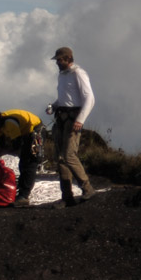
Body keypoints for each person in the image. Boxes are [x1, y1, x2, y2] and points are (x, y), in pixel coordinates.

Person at [50, 46, 97, 206]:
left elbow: (89, 98)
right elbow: (65, 98)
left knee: (69, 155)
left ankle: (87, 188)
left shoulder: (78, 73)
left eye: (60, 60)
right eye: (57, 60)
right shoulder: (62, 75)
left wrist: (80, 120)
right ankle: (67, 196)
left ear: (68, 59)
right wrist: (54, 105)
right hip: (62, 117)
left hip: (72, 118)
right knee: (61, 159)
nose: (57, 63)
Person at [0, 108, 43, 207]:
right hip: (23, 132)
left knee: (28, 162)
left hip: (33, 128)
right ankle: (21, 194)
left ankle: (24, 196)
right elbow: (0, 145)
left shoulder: (9, 123)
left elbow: (17, 145)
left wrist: (14, 154)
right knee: (23, 162)